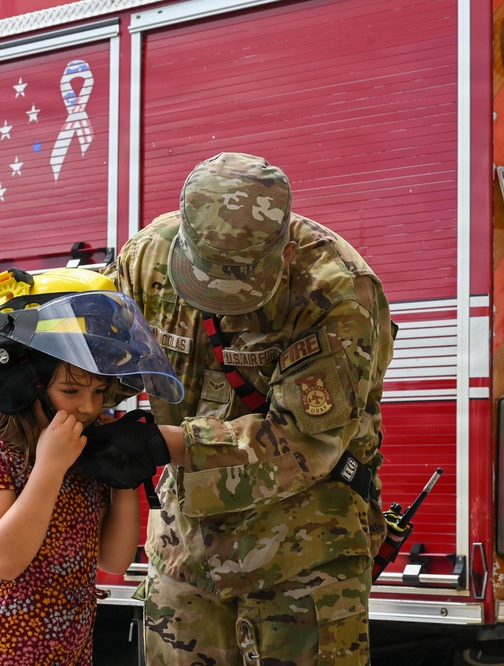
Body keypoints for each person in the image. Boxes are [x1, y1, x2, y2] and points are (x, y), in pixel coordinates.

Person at [104, 152, 396, 664]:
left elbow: (302, 443)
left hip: (305, 552)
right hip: (185, 550)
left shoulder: (336, 290)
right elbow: (102, 360)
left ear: (282, 254)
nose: (218, 301)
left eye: (239, 285)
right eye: (205, 281)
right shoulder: (147, 258)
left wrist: (162, 442)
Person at [0, 267, 183, 665]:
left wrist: (123, 473)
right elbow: (4, 560)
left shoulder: (86, 449)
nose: (89, 407)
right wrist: (50, 467)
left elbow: (114, 561)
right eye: (70, 391)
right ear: (24, 383)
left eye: (100, 391)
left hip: (68, 653)